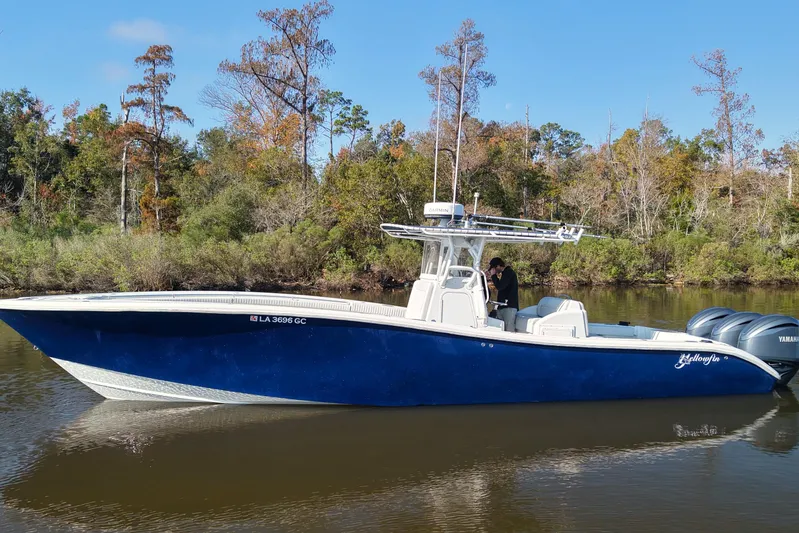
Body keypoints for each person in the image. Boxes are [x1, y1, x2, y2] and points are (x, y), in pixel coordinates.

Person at [486, 257, 518, 332]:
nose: (493, 271)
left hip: (509, 307)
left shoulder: (509, 273)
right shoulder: (504, 274)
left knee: (509, 330)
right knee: (502, 329)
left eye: (494, 269)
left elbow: (500, 286)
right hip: (502, 306)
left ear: (498, 266)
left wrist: (493, 275)